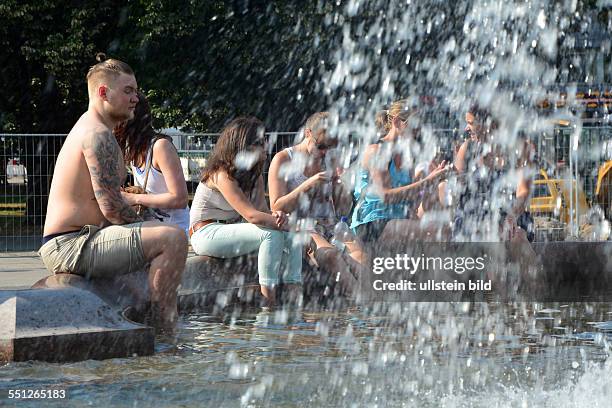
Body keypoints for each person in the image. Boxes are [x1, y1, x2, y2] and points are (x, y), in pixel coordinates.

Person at [38, 54, 187, 330]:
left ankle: (153, 323)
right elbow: (112, 208)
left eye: (136, 91)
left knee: (157, 244)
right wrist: (150, 227)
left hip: (82, 239)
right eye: (128, 91)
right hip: (70, 244)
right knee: (173, 239)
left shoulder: (95, 129)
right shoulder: (97, 135)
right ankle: (167, 332)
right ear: (103, 92)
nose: (136, 98)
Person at [189, 117, 302, 305]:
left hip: (231, 231)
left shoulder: (254, 174)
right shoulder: (221, 174)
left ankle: (294, 300)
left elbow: (262, 211)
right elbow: (251, 215)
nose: (266, 145)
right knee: (272, 235)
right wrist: (289, 224)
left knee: (293, 237)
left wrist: (279, 218)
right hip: (204, 233)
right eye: (259, 143)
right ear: (243, 147)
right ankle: (269, 304)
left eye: (264, 140)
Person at [268, 112, 362, 296]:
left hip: (331, 226)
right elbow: (276, 206)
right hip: (300, 226)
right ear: (308, 133)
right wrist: (309, 184)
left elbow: (343, 209)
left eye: (331, 146)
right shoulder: (283, 159)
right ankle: (363, 306)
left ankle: (378, 304)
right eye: (321, 146)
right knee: (333, 256)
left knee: (362, 258)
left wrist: (341, 187)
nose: (325, 151)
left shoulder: (330, 160)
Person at [350, 99, 448, 246]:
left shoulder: (406, 156)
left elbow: (409, 197)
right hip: (372, 222)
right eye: (414, 125)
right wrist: (426, 181)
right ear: (396, 122)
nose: (418, 130)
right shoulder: (376, 151)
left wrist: (432, 181)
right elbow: (386, 196)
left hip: (395, 220)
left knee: (444, 224)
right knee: (436, 231)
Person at [452, 104, 535, 242]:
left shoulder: (519, 149)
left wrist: (511, 216)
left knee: (517, 236)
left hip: (511, 215)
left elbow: (523, 191)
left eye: (470, 123)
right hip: (475, 218)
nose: (466, 128)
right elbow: (457, 193)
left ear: (487, 124)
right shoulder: (467, 149)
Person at [114, 91, 190, 234]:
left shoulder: (161, 147)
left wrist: (134, 198)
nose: (112, 124)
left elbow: (180, 199)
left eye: (116, 117)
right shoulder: (133, 150)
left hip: (177, 231)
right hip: (151, 231)